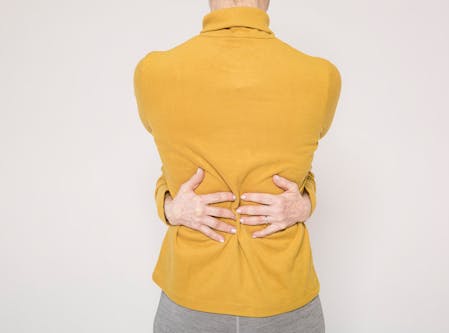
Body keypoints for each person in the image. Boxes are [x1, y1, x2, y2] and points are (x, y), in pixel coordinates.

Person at [133, 0, 342, 332]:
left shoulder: (153, 71)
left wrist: (170, 206)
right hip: (282, 294)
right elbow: (299, 170)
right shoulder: (321, 75)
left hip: (192, 293)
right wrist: (305, 201)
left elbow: (174, 166)